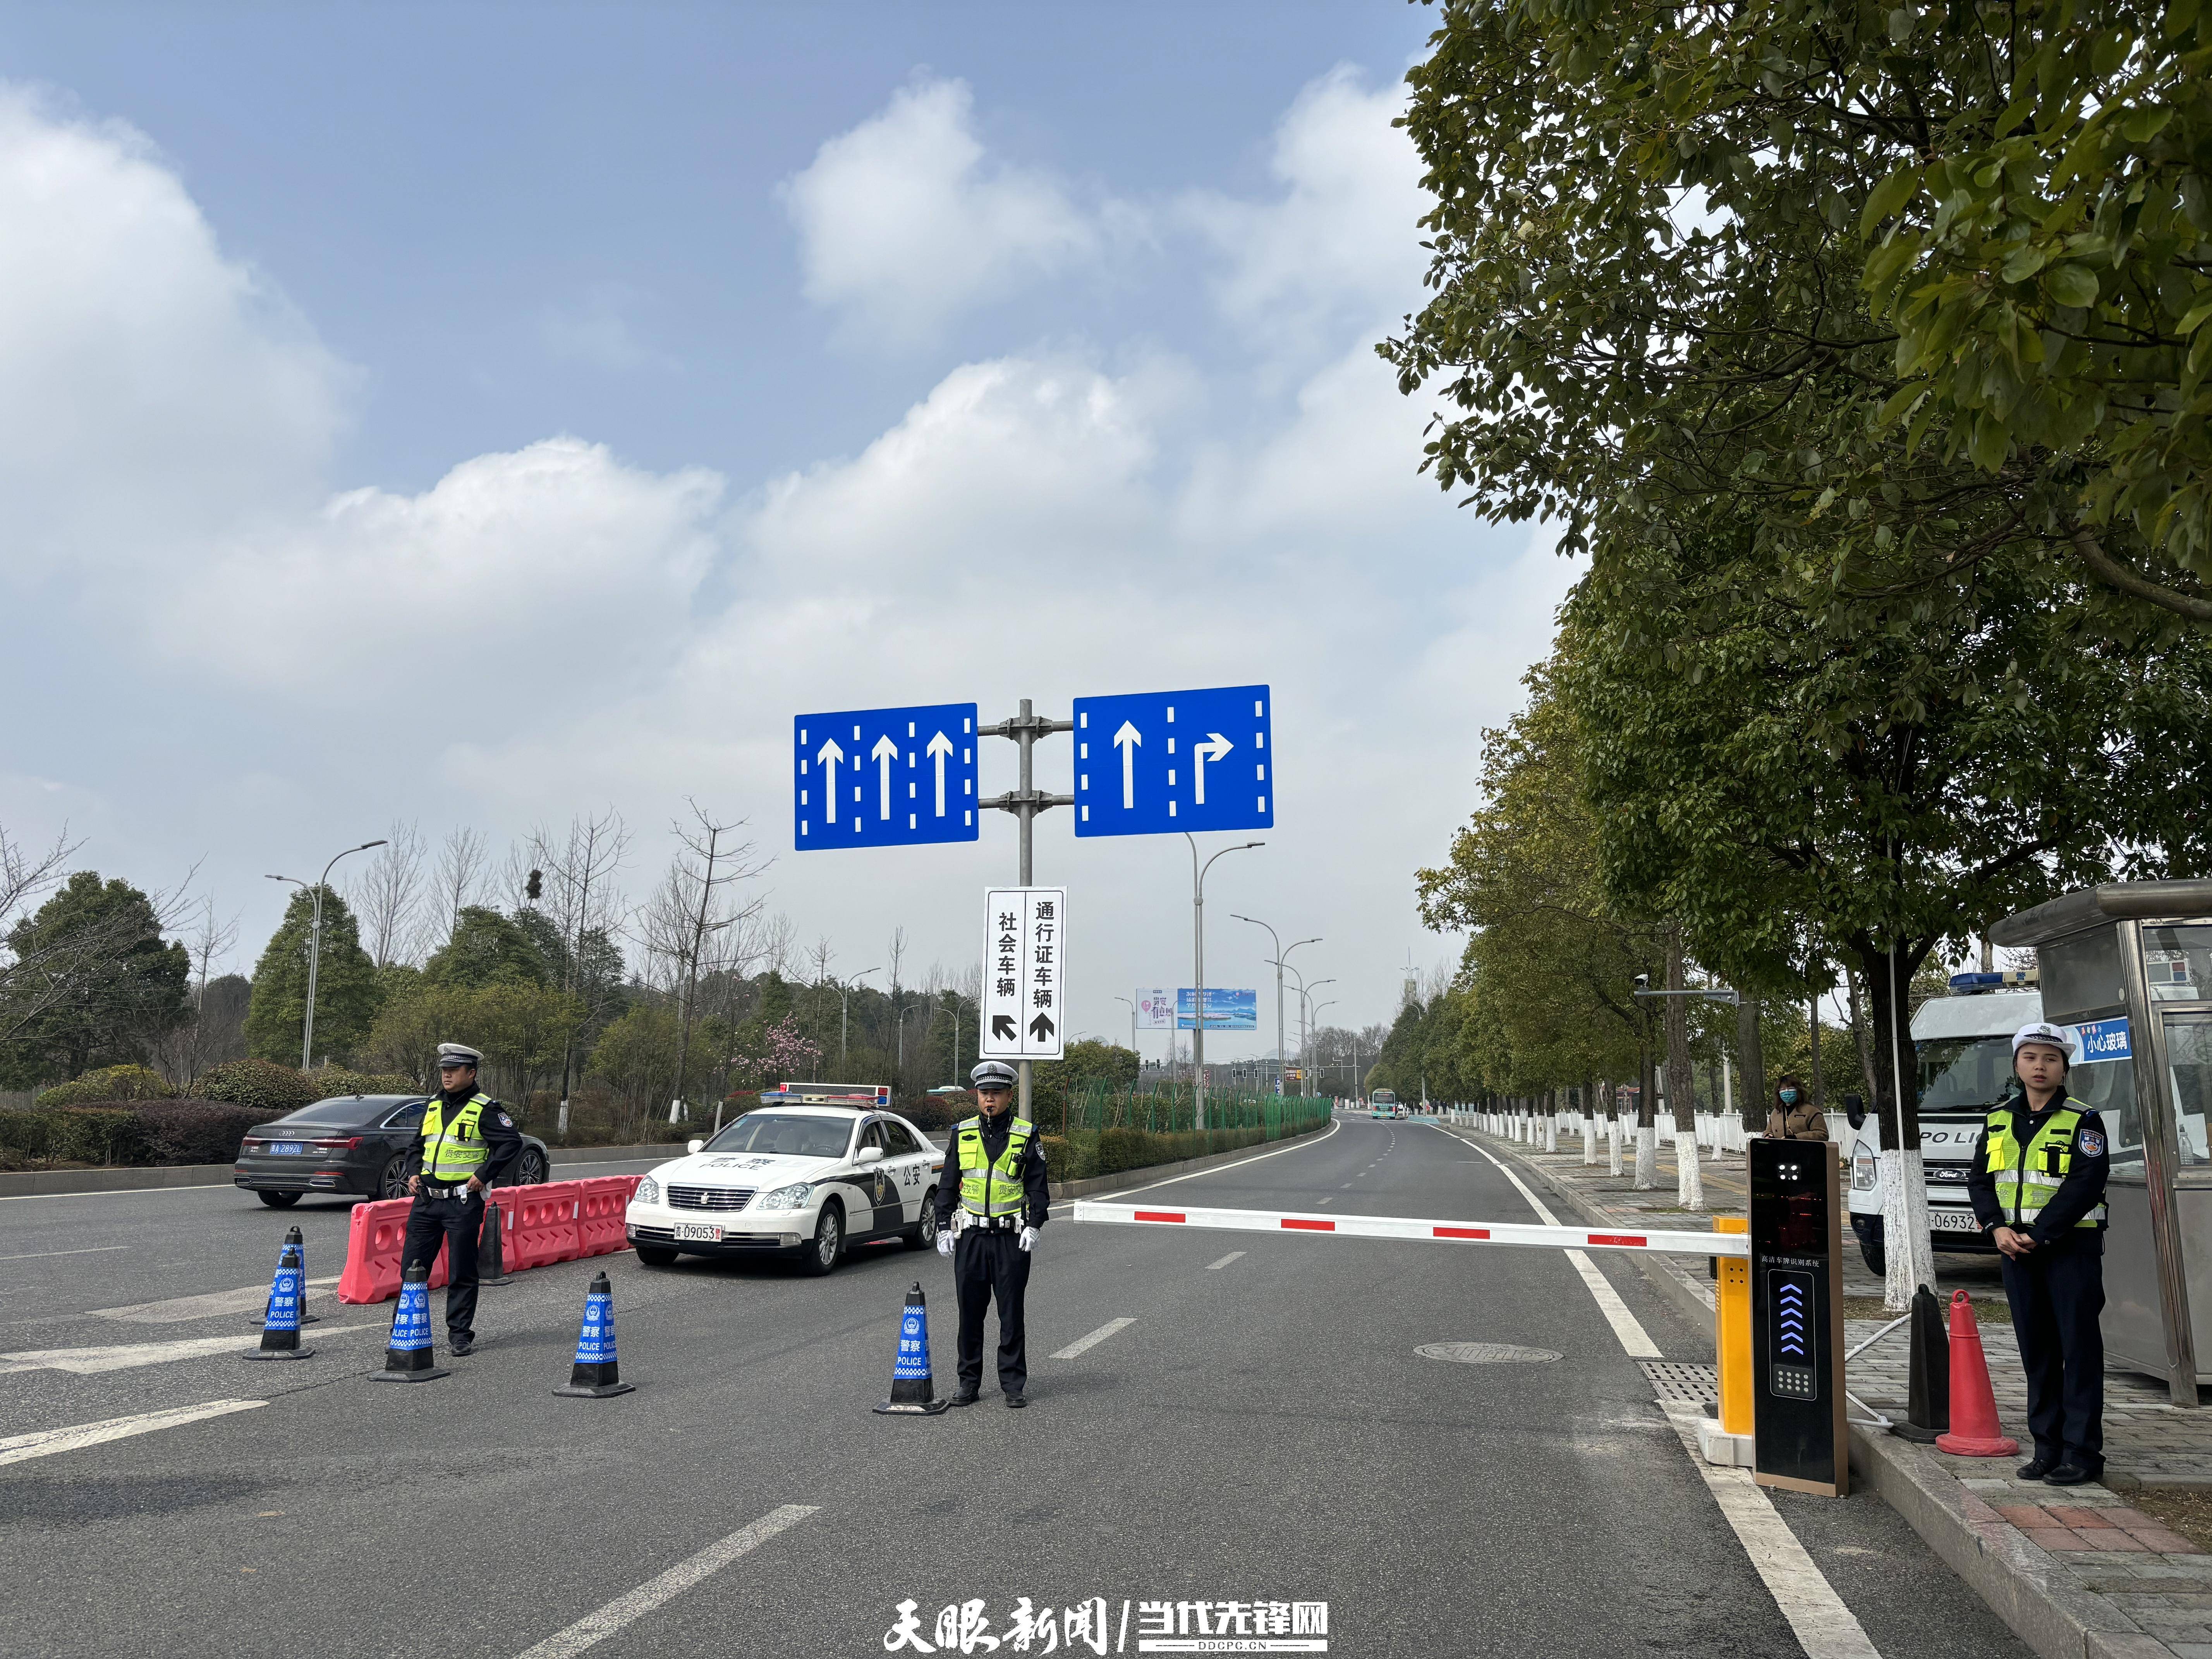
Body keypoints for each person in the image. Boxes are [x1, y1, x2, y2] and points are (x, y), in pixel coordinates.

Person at [1965, 1022, 2110, 1486]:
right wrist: (1995, 1228)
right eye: (2031, 1057)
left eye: (2050, 1058)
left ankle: (2083, 1454)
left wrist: (2043, 1233)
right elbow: (1981, 1180)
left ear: (2064, 1067)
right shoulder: (1998, 1119)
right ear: (2017, 1065)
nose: (2040, 1066)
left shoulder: (2083, 1120)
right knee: (2038, 1353)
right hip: (2016, 1253)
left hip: (2070, 1251)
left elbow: (2087, 1183)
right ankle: (2047, 1448)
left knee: (2079, 1352)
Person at [933, 1059, 1049, 1408]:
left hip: (1011, 1240)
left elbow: (1038, 1188)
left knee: (1011, 1314)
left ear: (1010, 1096)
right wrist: (942, 1227)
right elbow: (947, 1186)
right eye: (984, 1093)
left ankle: (1013, 1384)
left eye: (997, 1094)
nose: (990, 1100)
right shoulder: (962, 1133)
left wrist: (1035, 1224)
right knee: (969, 1314)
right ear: (976, 1096)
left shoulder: (1026, 1134)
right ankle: (968, 1383)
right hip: (971, 1239)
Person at [402, 1042, 522, 1356]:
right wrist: (413, 1170)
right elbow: (417, 1145)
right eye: (444, 1071)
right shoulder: (432, 1105)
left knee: (462, 1270)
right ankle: (404, 1329)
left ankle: (460, 1334)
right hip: (427, 1200)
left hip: (462, 1201)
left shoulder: (486, 1108)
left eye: (454, 1071)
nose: (447, 1076)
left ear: (471, 1073)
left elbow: (511, 1144)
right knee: (412, 1269)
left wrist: (484, 1174)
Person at [1765, 1073, 1827, 1140]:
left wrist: (1796, 1138)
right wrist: (1768, 1135)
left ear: (1798, 1090)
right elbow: (1769, 1131)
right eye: (1783, 1089)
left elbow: (1822, 1134)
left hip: (1804, 1150)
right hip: (1780, 1150)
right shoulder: (1776, 1112)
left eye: (1790, 1089)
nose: (1787, 1092)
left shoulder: (1811, 1112)